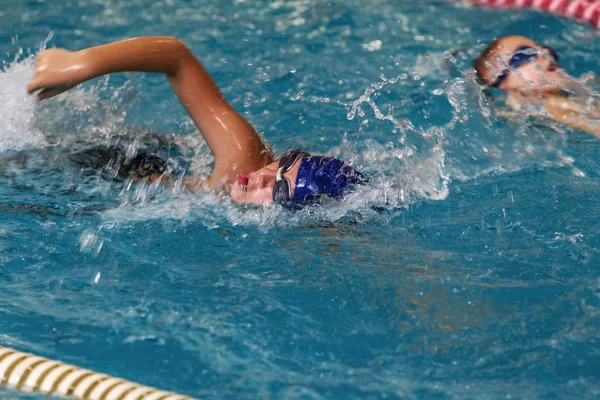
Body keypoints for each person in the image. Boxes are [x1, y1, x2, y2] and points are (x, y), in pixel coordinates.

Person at [27, 36, 363, 207]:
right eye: (283, 162)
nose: (261, 176)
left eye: (277, 187)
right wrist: (80, 64)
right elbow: (176, 57)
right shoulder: (245, 160)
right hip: (110, 161)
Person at [472, 35, 600, 137]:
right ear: (501, 83)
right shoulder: (528, 108)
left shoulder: (579, 93)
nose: (545, 52)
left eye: (543, 48)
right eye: (525, 54)